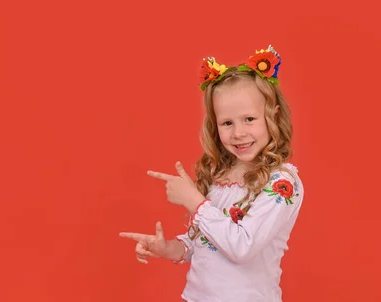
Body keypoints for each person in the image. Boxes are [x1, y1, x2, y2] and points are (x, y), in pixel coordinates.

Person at [119, 45, 304, 302]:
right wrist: (169, 248)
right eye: (227, 123)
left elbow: (242, 246)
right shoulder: (221, 174)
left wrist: (193, 200)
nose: (238, 132)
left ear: (272, 116)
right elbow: (205, 242)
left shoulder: (282, 181)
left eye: (249, 119)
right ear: (215, 126)